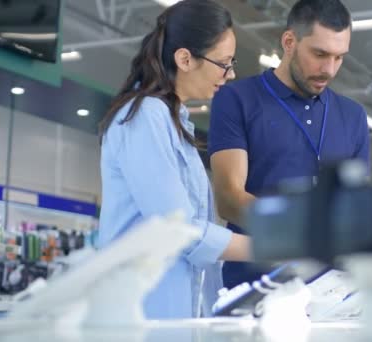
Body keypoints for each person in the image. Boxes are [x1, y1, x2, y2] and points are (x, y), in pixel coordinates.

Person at [97, 0, 250, 319]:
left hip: (169, 315)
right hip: (142, 315)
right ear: (185, 59)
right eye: (224, 63)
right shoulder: (145, 117)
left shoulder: (172, 123)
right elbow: (179, 231)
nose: (230, 73)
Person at [208, 0, 371, 289]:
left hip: (333, 293)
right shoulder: (236, 99)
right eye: (319, 54)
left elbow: (355, 207)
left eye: (339, 57)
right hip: (256, 289)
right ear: (289, 42)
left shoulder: (353, 116)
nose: (329, 69)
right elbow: (230, 199)